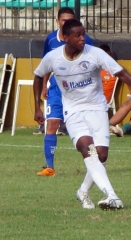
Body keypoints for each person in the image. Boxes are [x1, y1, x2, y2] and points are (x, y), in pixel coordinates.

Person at [33, 19, 131, 210]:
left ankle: (83, 191)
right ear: (66, 37)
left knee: (101, 155)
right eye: (77, 35)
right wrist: (37, 106)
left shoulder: (95, 54)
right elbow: (38, 75)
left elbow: (122, 73)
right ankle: (111, 195)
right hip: (74, 112)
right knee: (88, 149)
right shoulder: (53, 57)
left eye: (83, 34)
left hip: (97, 109)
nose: (82, 38)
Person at [35, 7, 94, 177]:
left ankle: (94, 163)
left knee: (86, 127)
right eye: (64, 20)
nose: (67, 23)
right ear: (57, 21)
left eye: (70, 20)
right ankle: (49, 167)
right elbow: (47, 64)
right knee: (51, 124)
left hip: (78, 88)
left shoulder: (85, 40)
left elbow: (92, 64)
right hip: (56, 86)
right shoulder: (51, 40)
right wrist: (45, 84)